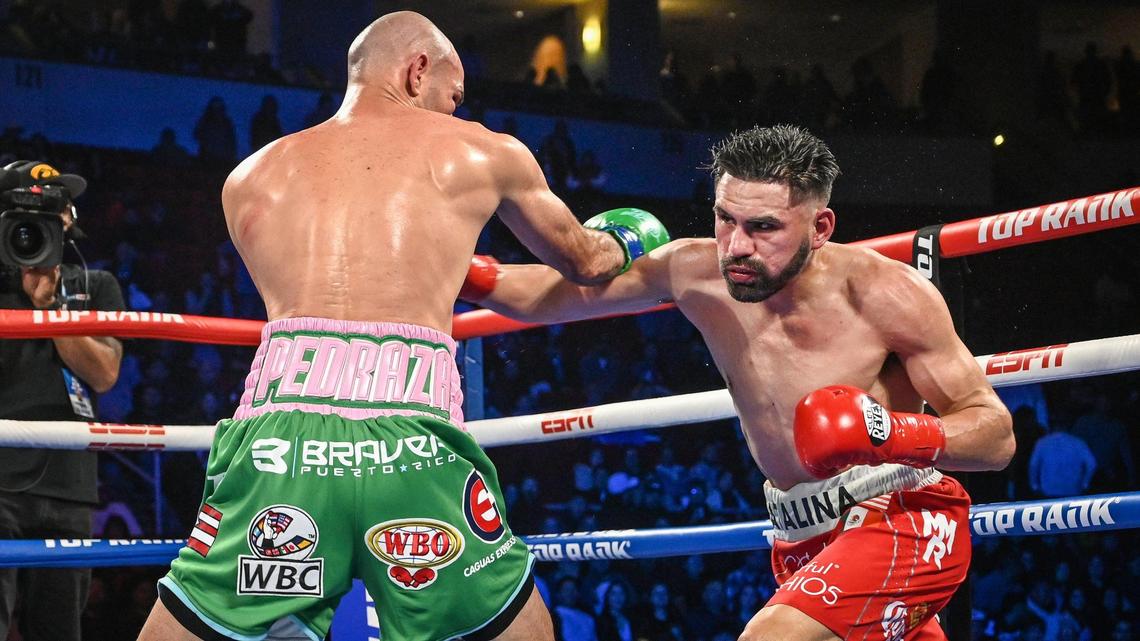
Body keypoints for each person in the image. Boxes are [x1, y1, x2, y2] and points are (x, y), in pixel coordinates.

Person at [137, 11, 668, 641]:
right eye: (454, 94)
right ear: (418, 70)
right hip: (412, 439)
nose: (454, 109)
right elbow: (584, 261)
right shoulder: (482, 149)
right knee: (524, 630)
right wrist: (631, 235)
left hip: (279, 442)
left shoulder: (249, 177)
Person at [465, 124, 1014, 640]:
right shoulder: (693, 272)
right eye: (725, 219)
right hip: (800, 537)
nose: (737, 246)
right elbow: (551, 295)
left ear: (821, 228)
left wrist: (886, 432)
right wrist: (450, 270)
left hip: (901, 518)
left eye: (764, 227)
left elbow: (995, 435)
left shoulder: (886, 295)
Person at [0, 160, 125, 641]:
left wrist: (48, 310)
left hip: (69, 482)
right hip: (1, 478)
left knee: (59, 630)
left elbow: (104, 374)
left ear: (69, 219)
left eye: (56, 211)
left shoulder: (95, 284)